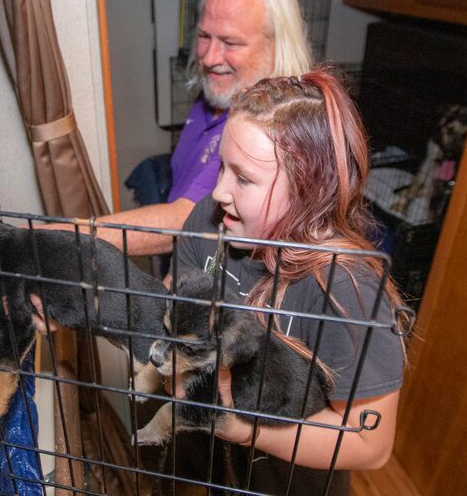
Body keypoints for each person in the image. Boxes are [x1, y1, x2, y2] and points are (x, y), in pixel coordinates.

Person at [171, 69, 405, 494]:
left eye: (243, 178)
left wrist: (245, 430)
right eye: (223, 166)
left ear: (308, 188)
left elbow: (371, 444)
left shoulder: (347, 293)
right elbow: (174, 304)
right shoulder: (208, 222)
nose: (219, 192)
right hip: (208, 472)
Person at [41, 0, 313, 255]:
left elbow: (186, 220)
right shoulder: (219, 93)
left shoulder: (268, 131)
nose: (209, 58)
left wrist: (56, 240)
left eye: (230, 42)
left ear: (276, 45)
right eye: (204, 36)